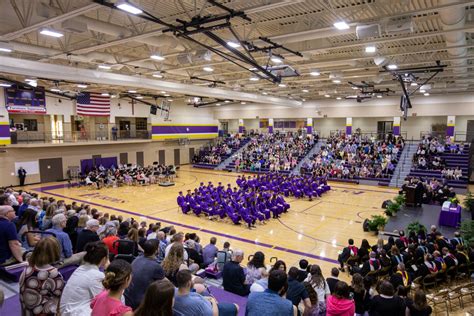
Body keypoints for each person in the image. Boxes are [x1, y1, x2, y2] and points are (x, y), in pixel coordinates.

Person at [60, 242, 109, 316]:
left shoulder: (80, 268)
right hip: (73, 312)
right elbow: (102, 300)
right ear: (104, 259)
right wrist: (107, 269)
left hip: (66, 310)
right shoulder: (97, 275)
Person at [19, 237, 65, 316]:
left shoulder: (27, 269)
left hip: (26, 311)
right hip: (42, 312)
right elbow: (61, 298)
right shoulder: (54, 274)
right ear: (55, 252)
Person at [173, 269, 238, 316]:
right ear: (189, 283)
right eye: (191, 279)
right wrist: (213, 301)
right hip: (210, 308)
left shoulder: (173, 292)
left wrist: (205, 298)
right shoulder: (198, 302)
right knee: (236, 306)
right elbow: (215, 315)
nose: (193, 281)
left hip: (192, 308)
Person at [124, 239, 165, 309]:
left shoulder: (137, 259)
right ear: (156, 251)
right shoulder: (156, 266)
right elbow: (164, 283)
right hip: (138, 303)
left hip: (126, 297)